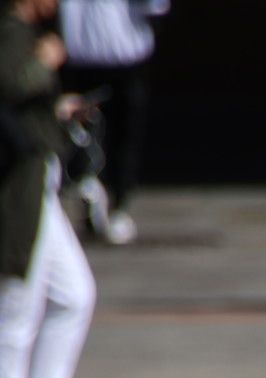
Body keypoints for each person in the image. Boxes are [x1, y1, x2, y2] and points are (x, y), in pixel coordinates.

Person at [0, 0, 98, 378]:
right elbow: (6, 84)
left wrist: (57, 108)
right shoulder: (7, 31)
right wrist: (44, 63)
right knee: (16, 300)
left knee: (73, 294)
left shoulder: (13, 33)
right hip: (14, 189)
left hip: (38, 187)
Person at [59, 0, 169, 246]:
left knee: (124, 134)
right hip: (80, 56)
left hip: (125, 56)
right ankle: (86, 189)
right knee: (78, 135)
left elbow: (154, 9)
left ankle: (119, 203)